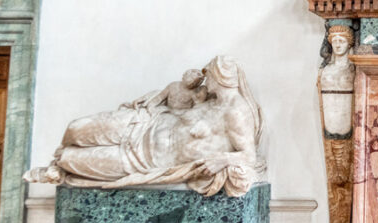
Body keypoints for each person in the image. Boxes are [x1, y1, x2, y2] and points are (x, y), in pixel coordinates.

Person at [24, 56, 264, 197]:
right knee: (76, 128)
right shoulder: (206, 99)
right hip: (142, 124)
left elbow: (248, 155)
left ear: (220, 77)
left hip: (145, 159)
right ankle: (56, 163)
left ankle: (57, 166)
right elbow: (176, 96)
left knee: (70, 160)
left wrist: (223, 159)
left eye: (209, 74)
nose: (206, 79)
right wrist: (156, 98)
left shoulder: (236, 112)